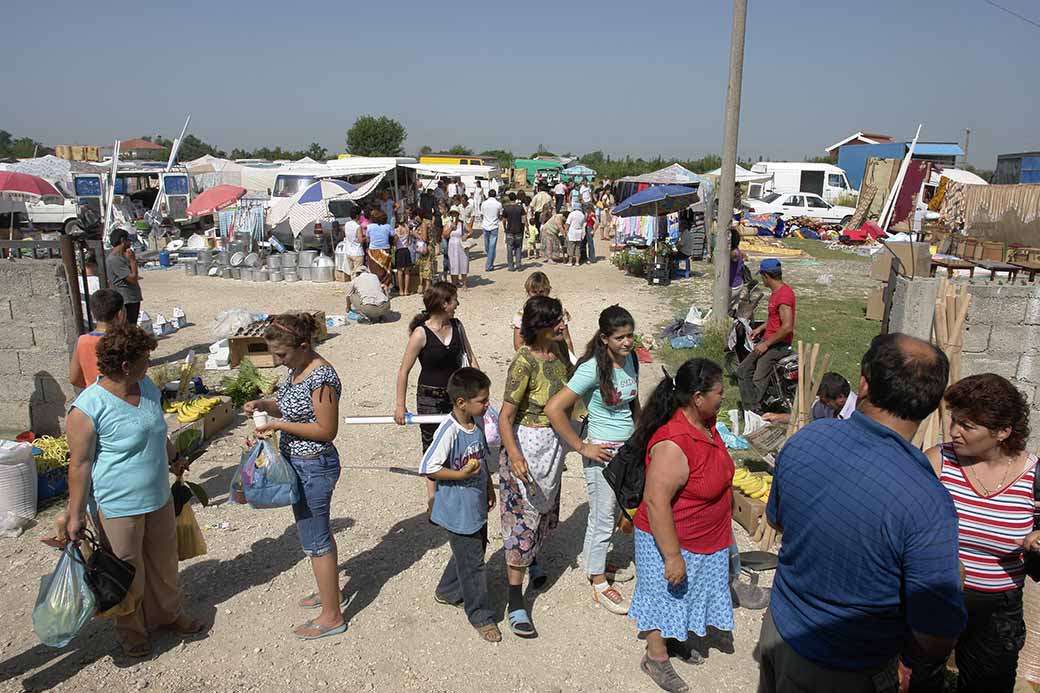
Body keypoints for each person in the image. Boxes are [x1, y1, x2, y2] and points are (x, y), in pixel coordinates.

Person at [756, 333, 966, 693]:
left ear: (864, 385)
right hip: (846, 668)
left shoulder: (807, 438)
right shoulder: (927, 501)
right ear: (934, 406)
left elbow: (776, 521)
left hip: (779, 633)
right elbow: (936, 637)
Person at [65, 323, 203, 657]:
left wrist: (174, 459)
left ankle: (169, 615)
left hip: (158, 495)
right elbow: (80, 465)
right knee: (126, 569)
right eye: (145, 360)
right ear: (126, 365)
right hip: (117, 504)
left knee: (164, 562)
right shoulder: (87, 408)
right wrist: (75, 515)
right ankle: (131, 630)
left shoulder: (146, 388)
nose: (150, 366)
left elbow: (158, 431)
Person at [904, 374, 1039, 692]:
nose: (954, 432)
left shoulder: (1033, 477)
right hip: (934, 598)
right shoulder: (939, 462)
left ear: (1003, 432)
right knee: (918, 680)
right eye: (954, 421)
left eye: (968, 426)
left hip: (996, 611)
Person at [621, 358, 734, 692]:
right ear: (697, 397)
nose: (724, 396)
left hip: (702, 539)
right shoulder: (673, 443)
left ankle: (674, 637)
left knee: (683, 594)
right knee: (661, 595)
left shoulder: (707, 424)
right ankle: (655, 657)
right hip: (670, 540)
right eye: (719, 391)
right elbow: (656, 503)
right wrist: (671, 556)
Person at [244, 313, 345, 640]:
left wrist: (278, 425)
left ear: (304, 345)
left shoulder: (321, 377)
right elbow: (290, 406)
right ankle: (330, 592)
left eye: (282, 354)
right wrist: (265, 405)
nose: (277, 361)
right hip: (299, 463)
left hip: (314, 465)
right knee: (317, 535)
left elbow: (326, 430)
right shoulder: (296, 370)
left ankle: (332, 616)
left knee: (316, 541)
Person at [545, 306, 639, 616]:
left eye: (630, 335)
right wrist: (582, 447)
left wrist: (641, 438)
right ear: (604, 338)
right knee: (602, 516)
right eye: (620, 337)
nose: (627, 342)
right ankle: (598, 582)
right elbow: (554, 409)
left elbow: (633, 402)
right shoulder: (591, 369)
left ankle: (594, 560)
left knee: (613, 515)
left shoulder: (632, 359)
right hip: (602, 452)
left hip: (627, 451)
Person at [497, 296, 572, 638]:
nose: (563, 325)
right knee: (520, 526)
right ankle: (515, 601)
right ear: (540, 325)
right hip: (526, 450)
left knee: (542, 517)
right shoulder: (523, 362)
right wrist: (514, 456)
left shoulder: (559, 356)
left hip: (552, 452)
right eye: (557, 321)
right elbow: (505, 417)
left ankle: (533, 559)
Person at [419, 367, 501, 643]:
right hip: (457, 510)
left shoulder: (475, 424)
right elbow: (428, 466)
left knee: (472, 551)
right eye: (483, 401)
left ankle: (447, 590)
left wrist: (488, 486)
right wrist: (460, 475)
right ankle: (481, 615)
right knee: (474, 563)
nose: (487, 405)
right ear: (461, 402)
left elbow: (483, 459)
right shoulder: (449, 431)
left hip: (475, 505)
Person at [395, 282, 480, 509]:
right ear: (443, 304)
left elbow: (471, 359)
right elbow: (404, 370)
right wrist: (400, 406)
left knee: (457, 441)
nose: (457, 304)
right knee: (431, 444)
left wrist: (479, 390)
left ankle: (455, 487)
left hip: (456, 397)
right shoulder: (420, 333)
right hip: (429, 397)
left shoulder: (458, 326)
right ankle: (433, 499)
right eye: (454, 300)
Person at [736, 258, 795, 412]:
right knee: (745, 369)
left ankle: (753, 409)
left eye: (761, 276)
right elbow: (775, 319)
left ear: (766, 276)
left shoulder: (784, 295)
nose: (762, 279)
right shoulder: (777, 293)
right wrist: (760, 329)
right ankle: (753, 404)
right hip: (769, 339)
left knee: (750, 374)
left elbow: (787, 327)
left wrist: (766, 344)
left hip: (777, 345)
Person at [70, 289, 124, 388]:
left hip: (94, 397)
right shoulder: (123, 340)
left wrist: (93, 388)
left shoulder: (82, 341)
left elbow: (74, 379)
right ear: (120, 315)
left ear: (92, 314)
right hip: (121, 396)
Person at [511, 272, 574, 354]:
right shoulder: (522, 315)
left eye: (541, 292)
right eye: (534, 292)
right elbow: (518, 344)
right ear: (528, 292)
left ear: (548, 291)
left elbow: (566, 339)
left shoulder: (557, 311)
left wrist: (572, 361)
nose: (538, 296)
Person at [763, 372, 852, 426]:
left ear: (841, 398)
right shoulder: (825, 405)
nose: (823, 405)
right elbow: (805, 418)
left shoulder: (855, 414)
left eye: (826, 402)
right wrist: (777, 417)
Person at [106, 228, 142, 325]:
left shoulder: (121, 257)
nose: (130, 243)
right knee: (128, 328)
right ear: (122, 240)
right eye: (128, 240)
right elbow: (133, 278)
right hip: (126, 300)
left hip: (131, 298)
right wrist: (132, 260)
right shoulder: (115, 259)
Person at [364, 209, 394, 289]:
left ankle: (375, 287)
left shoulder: (370, 227)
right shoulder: (388, 227)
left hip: (373, 251)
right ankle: (385, 287)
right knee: (385, 270)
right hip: (385, 250)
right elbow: (393, 237)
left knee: (374, 270)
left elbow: (368, 240)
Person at [445, 208, 472, 288]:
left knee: (463, 263)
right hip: (452, 245)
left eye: (455, 213)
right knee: (453, 263)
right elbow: (444, 235)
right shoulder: (448, 223)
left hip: (461, 245)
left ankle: (464, 283)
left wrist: (466, 235)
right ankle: (454, 282)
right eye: (452, 214)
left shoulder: (462, 223)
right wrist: (450, 228)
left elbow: (471, 231)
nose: (454, 215)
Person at [480, 189, 503, 272]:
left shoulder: (483, 203)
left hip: (485, 225)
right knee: (491, 247)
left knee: (488, 246)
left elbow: (482, 215)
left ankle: (489, 264)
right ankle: (490, 262)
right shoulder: (498, 204)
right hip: (494, 226)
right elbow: (500, 215)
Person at [502, 192, 525, 272]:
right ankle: (518, 265)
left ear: (509, 198)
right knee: (518, 248)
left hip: (510, 230)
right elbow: (523, 219)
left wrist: (505, 228)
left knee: (509, 249)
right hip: (519, 230)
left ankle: (511, 266)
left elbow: (504, 220)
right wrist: (525, 228)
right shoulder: (520, 208)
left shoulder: (506, 208)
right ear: (516, 198)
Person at [341, 210, 366, 276]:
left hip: (349, 251)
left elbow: (345, 233)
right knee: (358, 274)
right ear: (357, 216)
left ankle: (353, 285)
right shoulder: (357, 226)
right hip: (357, 252)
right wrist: (366, 238)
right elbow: (360, 240)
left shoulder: (346, 224)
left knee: (352, 273)